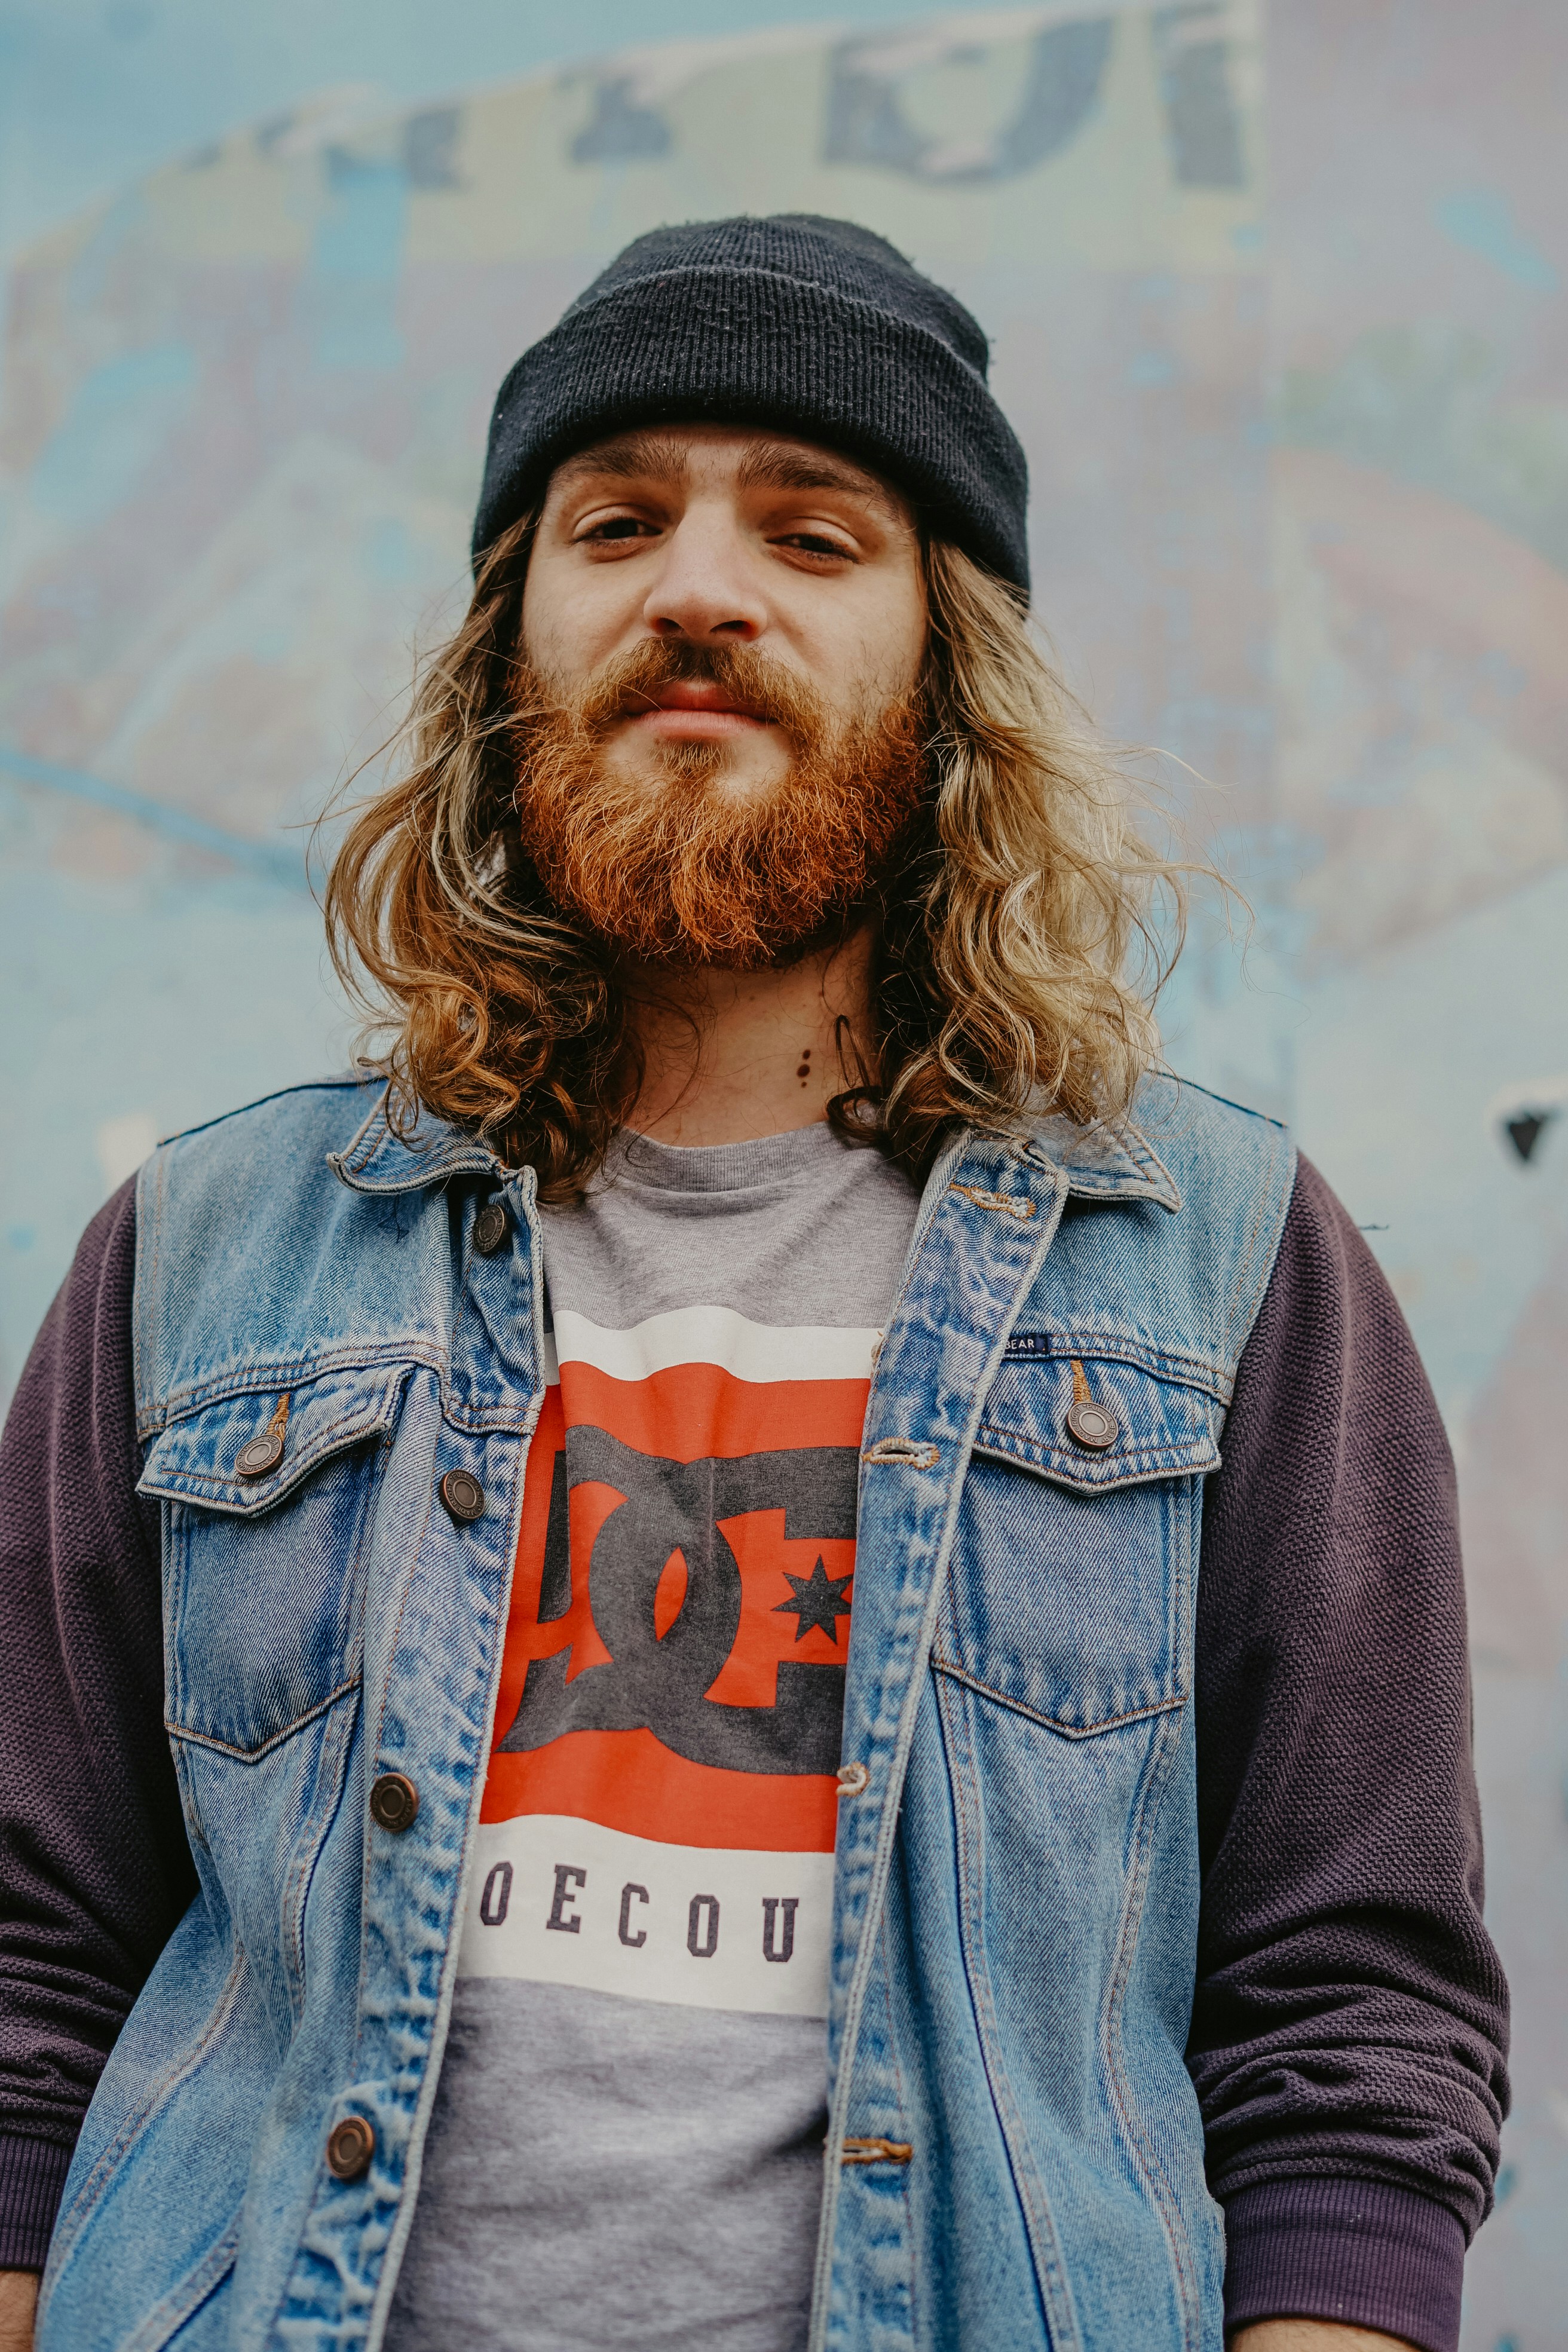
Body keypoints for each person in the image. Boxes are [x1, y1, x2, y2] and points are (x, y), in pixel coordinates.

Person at [0, 216, 1506, 2352]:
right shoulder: (206, 1250)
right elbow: (28, 1965)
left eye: (813, 537)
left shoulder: (1221, 1261)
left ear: (945, 663)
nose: (700, 586)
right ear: (508, 639)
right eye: (619, 521)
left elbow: (1352, 2014)